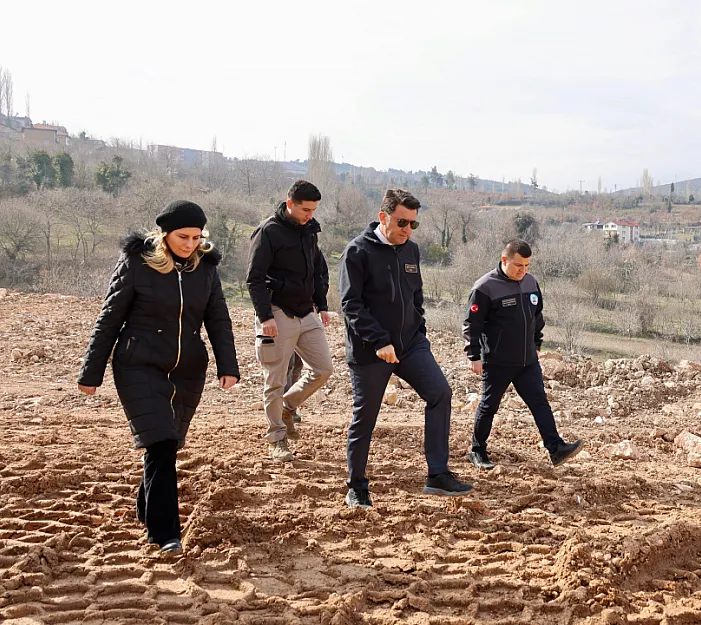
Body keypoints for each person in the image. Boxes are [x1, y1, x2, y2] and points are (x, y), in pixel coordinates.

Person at [77, 200, 239, 554]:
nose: (190, 244)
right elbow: (109, 319)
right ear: (165, 235)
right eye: (183, 236)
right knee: (161, 443)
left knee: (165, 447)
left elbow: (218, 319)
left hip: (188, 370)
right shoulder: (137, 263)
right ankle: (166, 535)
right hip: (138, 363)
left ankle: (146, 508)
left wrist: (229, 366)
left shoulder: (205, 269)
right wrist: (92, 371)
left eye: (197, 237)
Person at [339, 189, 472, 508]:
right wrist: (379, 340)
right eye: (402, 222)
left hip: (411, 345)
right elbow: (350, 304)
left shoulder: (410, 250)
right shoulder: (356, 252)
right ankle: (356, 486)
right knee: (365, 416)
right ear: (383, 217)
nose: (408, 229)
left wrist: (419, 331)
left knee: (440, 393)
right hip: (371, 351)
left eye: (413, 224)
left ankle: (437, 475)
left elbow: (415, 297)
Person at [462, 239, 583, 470]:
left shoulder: (530, 283)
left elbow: (537, 316)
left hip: (527, 360)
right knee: (489, 406)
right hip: (498, 360)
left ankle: (556, 449)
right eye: (518, 265)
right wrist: (473, 355)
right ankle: (477, 451)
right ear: (504, 260)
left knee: (540, 403)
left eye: (527, 265)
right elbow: (471, 324)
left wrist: (536, 343)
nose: (523, 270)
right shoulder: (485, 287)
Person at [246, 180, 336, 462]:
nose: (310, 215)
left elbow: (318, 270)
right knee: (274, 380)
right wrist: (265, 316)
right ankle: (277, 439)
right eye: (306, 209)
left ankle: (287, 406)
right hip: (277, 313)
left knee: (323, 369)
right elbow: (254, 279)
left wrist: (321, 305)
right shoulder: (268, 232)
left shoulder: (310, 231)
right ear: (290, 204)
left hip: (306, 313)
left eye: (314, 210)